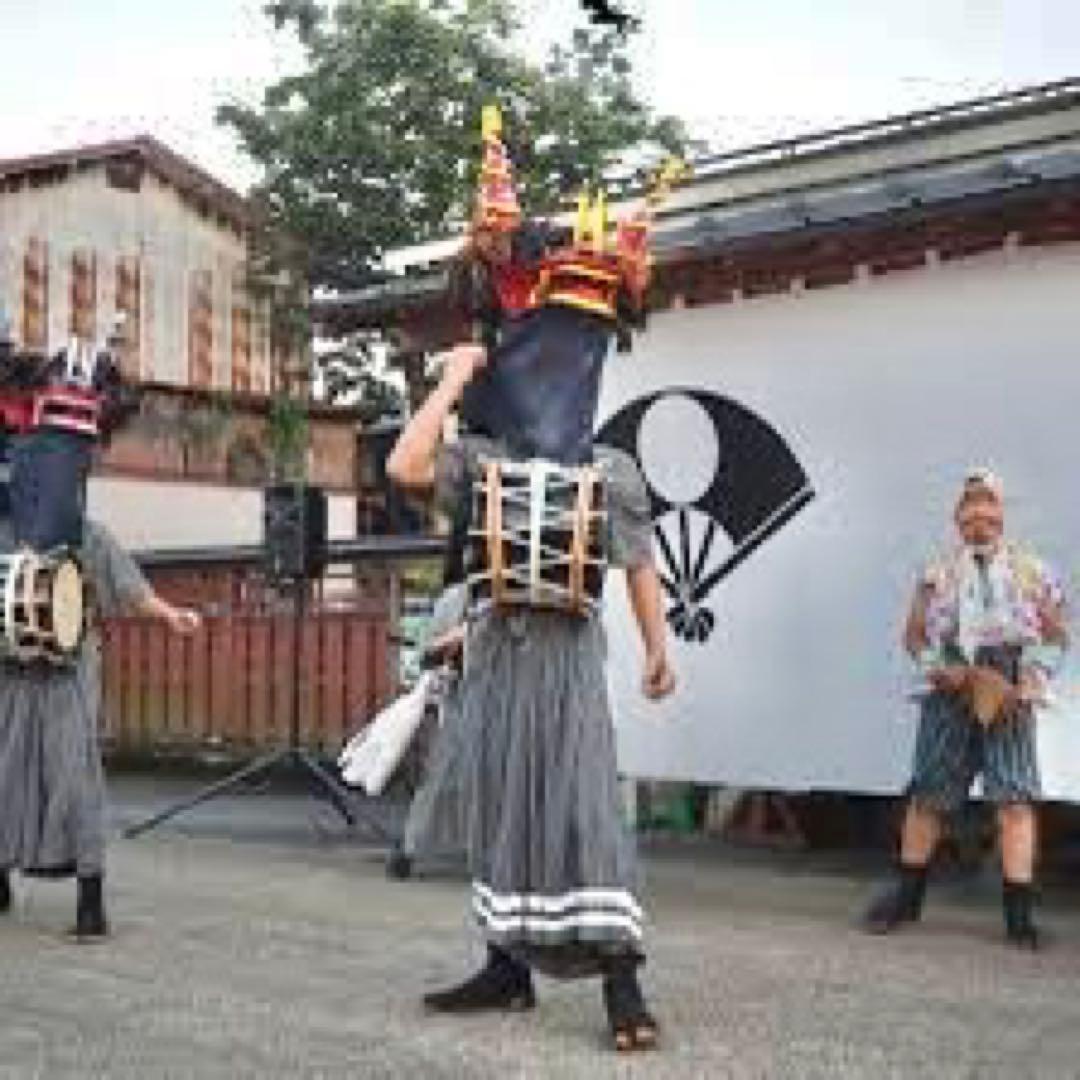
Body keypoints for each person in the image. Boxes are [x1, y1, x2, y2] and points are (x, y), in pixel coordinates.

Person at [863, 469, 1067, 948]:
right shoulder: (936, 573)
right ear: (957, 517)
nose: (979, 513)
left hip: (1009, 681)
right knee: (930, 791)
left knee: (1014, 796)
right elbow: (913, 635)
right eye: (970, 504)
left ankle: (1019, 916)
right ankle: (906, 897)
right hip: (952, 678)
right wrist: (939, 667)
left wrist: (1031, 675)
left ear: (1001, 514)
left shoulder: (1033, 571)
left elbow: (1056, 634)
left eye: (988, 504)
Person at [0, 518, 200, 938]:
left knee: (74, 777)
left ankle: (91, 902)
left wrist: (169, 614)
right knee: (5, 771)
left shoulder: (85, 532)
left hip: (68, 672)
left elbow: (130, 588)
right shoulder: (4, 528)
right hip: (11, 672)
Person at [386, 583, 470, 879]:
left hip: (496, 695)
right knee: (440, 773)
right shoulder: (458, 598)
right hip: (467, 693)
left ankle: (410, 849)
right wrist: (453, 642)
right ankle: (410, 847)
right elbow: (430, 655)